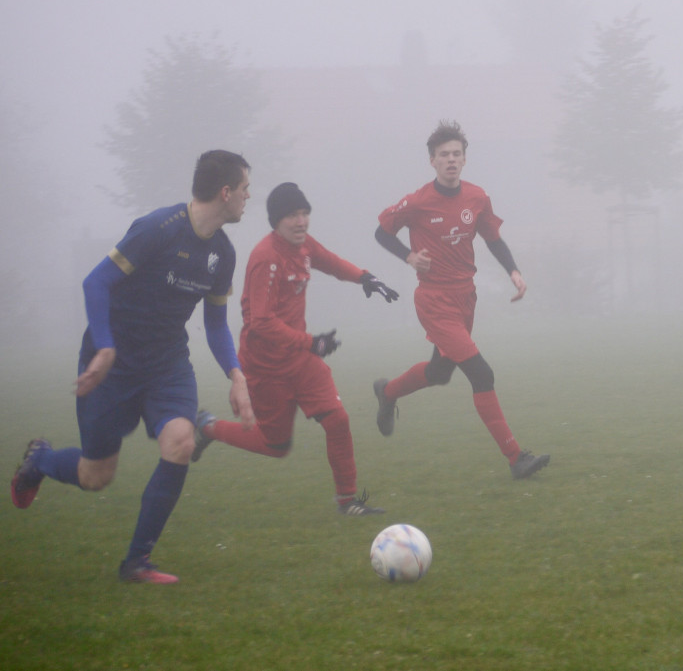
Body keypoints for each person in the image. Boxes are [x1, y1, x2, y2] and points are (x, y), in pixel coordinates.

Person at [10, 150, 253, 584]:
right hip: (113, 365)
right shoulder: (157, 229)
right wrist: (104, 348)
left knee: (180, 441)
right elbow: (96, 281)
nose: (248, 198)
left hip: (167, 362)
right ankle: (40, 460)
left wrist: (236, 373)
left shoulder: (223, 254)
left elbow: (215, 324)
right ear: (226, 191)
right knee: (95, 474)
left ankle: (137, 563)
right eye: (245, 189)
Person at [191, 182, 399, 515]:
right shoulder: (265, 258)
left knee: (338, 420)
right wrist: (311, 342)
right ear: (276, 221)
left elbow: (329, 261)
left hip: (301, 360)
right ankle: (207, 427)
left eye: (304, 213)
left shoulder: (302, 246)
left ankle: (347, 502)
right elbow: (261, 322)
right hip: (265, 366)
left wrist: (364, 277)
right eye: (292, 216)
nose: (301, 221)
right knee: (275, 446)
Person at [373, 120, 550, 479]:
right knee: (481, 373)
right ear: (432, 161)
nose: (451, 160)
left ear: (465, 159)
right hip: (434, 301)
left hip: (465, 298)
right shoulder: (418, 202)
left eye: (457, 154)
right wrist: (409, 256)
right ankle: (517, 459)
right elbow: (381, 232)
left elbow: (493, 239)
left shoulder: (477, 197)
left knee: (439, 373)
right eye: (444, 155)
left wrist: (513, 271)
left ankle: (388, 392)